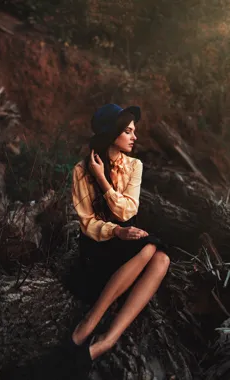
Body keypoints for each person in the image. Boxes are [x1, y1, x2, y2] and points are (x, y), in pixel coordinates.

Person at [68, 103, 171, 373]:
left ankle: (108, 338)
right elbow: (87, 223)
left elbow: (128, 210)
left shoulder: (134, 166)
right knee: (150, 249)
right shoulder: (81, 171)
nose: (134, 137)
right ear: (112, 134)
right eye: (128, 131)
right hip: (96, 248)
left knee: (162, 258)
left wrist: (104, 181)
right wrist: (116, 231)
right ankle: (91, 321)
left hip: (127, 245)